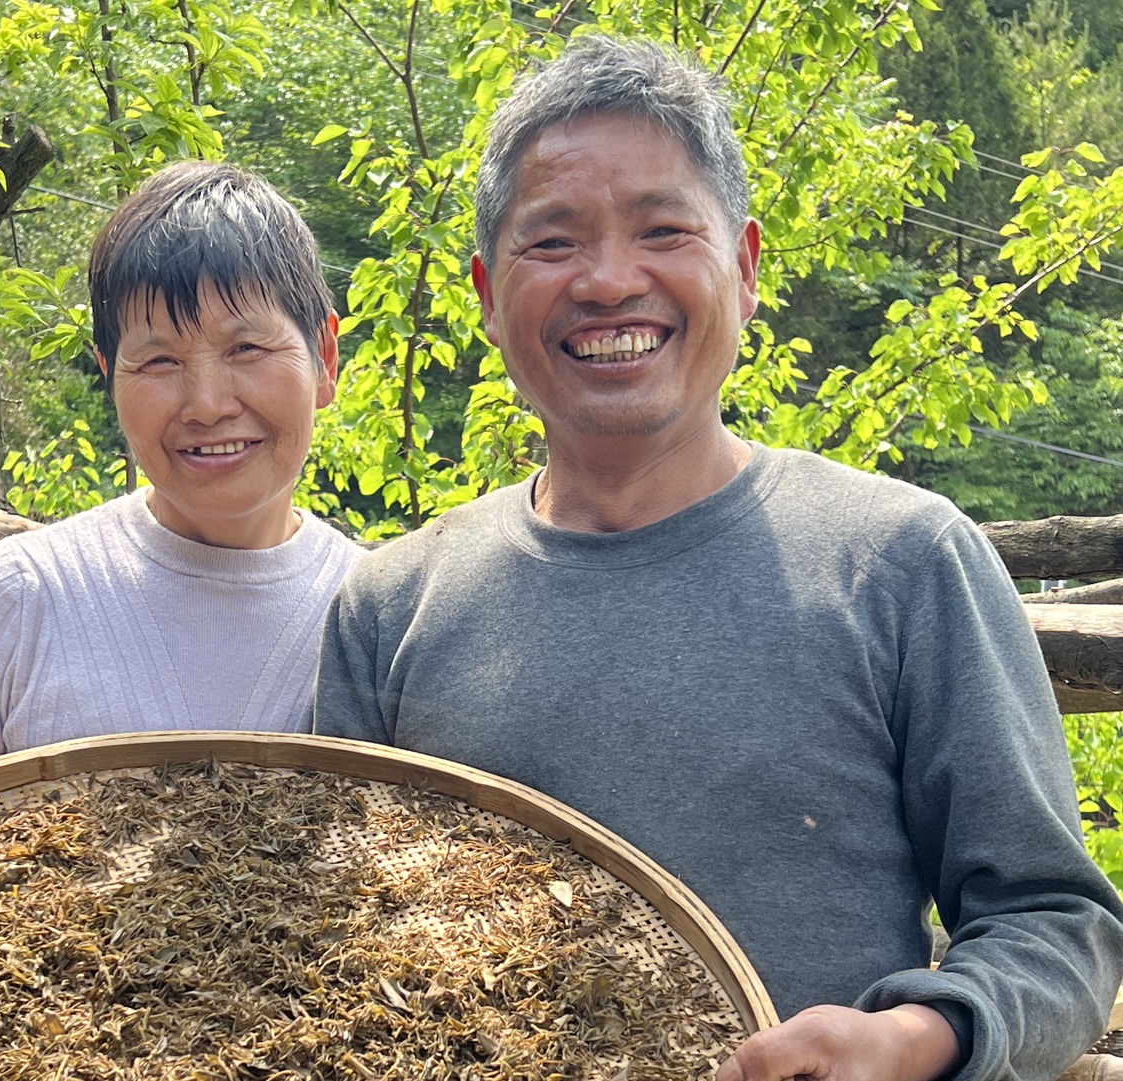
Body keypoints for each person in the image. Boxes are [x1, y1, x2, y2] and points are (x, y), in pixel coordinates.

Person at [312, 35, 1123, 1081]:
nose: (607, 280)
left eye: (660, 229)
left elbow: (1052, 919)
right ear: (483, 293)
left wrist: (915, 1036)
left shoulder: (899, 563)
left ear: (740, 269)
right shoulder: (393, 604)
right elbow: (326, 953)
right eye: (551, 242)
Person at [0, 160, 362, 781]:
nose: (206, 404)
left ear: (325, 359)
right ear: (108, 373)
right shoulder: (20, 597)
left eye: (246, 348)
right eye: (158, 361)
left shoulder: (378, 615)